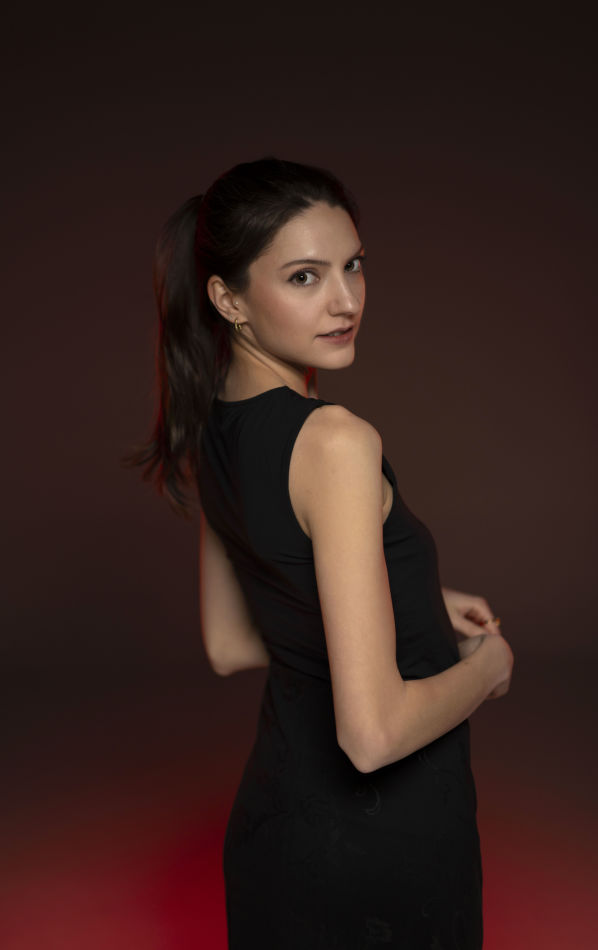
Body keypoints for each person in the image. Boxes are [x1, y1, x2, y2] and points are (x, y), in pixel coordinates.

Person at [125, 156, 514, 949]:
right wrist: (484, 669)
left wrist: (413, 599)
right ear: (228, 299)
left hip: (276, 837)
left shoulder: (210, 426)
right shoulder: (334, 441)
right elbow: (371, 738)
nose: (345, 301)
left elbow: (233, 641)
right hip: (378, 860)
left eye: (353, 266)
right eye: (304, 277)